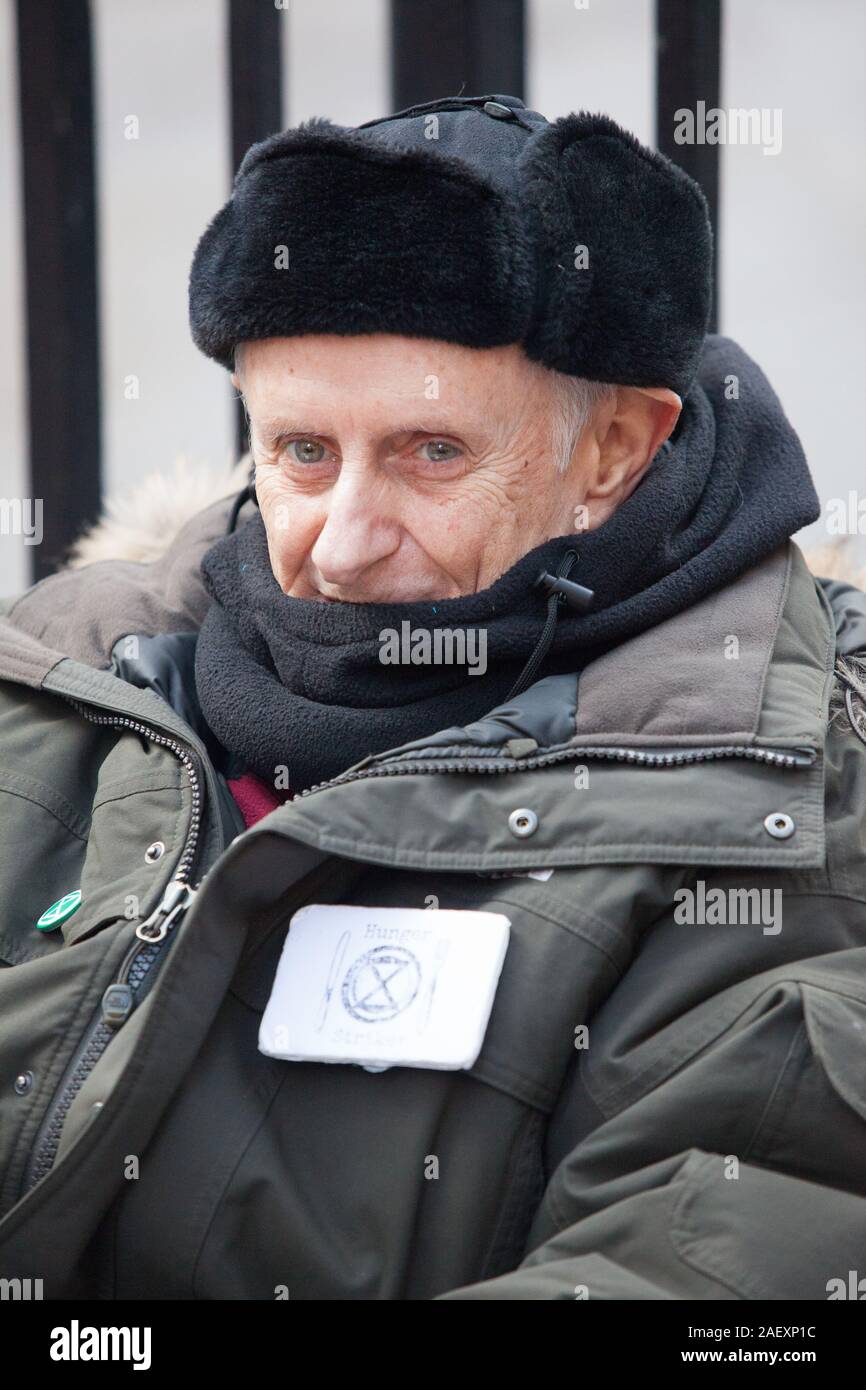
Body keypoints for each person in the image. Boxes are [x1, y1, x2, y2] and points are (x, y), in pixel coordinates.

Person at [1, 94, 864, 1300]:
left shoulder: (789, 803)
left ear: (613, 447)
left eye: (431, 454)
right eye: (302, 451)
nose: (345, 545)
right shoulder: (59, 678)